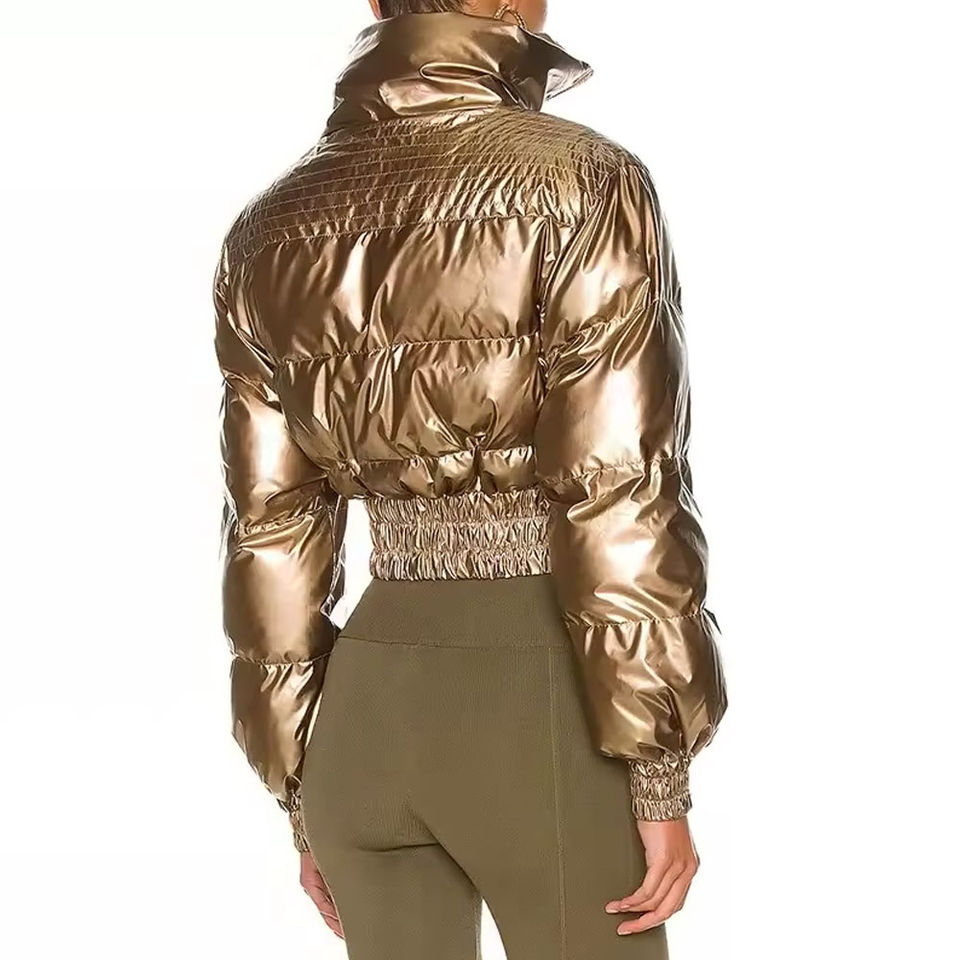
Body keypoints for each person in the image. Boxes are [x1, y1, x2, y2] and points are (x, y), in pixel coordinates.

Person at [212, 1, 727, 956]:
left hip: (364, 716)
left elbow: (268, 529)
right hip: (539, 698)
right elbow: (619, 484)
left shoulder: (267, 229)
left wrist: (298, 788)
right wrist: (658, 770)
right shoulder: (585, 182)